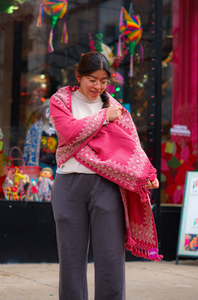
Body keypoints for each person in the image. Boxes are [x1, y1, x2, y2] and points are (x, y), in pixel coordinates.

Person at [49, 52, 160, 300]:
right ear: (79, 77)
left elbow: (131, 146)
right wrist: (102, 118)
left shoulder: (116, 109)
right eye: (92, 79)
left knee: (110, 257)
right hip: (68, 186)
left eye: (103, 80)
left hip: (107, 186)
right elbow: (68, 132)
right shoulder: (61, 101)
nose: (98, 86)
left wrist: (146, 174)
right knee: (71, 259)